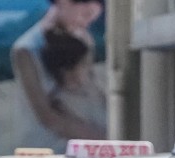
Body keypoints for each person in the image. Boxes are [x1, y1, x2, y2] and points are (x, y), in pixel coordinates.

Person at [10, 0, 105, 149]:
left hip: (89, 142)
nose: (86, 24)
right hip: (49, 147)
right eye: (85, 15)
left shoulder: (84, 38)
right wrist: (103, 140)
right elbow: (47, 116)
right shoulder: (26, 49)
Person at [39, 26, 107, 134]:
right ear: (67, 71)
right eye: (84, 64)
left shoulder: (94, 89)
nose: (89, 68)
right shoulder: (60, 104)